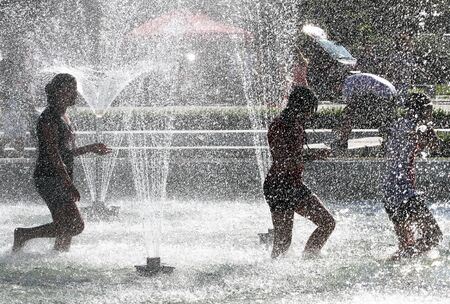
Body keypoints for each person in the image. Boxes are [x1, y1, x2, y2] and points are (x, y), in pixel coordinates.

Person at [12, 73, 112, 252]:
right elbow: (53, 155)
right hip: (49, 178)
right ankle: (24, 234)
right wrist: (68, 183)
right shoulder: (48, 118)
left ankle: (59, 257)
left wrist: (90, 148)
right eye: (70, 90)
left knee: (65, 225)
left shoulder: (64, 116)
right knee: (75, 225)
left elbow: (65, 152)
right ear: (58, 92)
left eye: (75, 89)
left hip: (58, 176)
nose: (75, 94)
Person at [264, 86, 335, 258]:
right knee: (283, 241)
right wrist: (312, 156)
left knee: (327, 223)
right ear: (301, 106)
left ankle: (309, 258)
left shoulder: (294, 125)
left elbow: (293, 156)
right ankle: (274, 272)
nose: (310, 115)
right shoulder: (280, 125)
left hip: (293, 184)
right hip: (278, 186)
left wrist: (313, 154)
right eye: (310, 110)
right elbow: (283, 161)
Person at [383, 92, 444, 260]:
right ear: (421, 111)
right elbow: (435, 146)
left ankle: (398, 262)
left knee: (406, 245)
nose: (431, 114)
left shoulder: (397, 124)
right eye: (429, 110)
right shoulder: (420, 127)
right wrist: (427, 131)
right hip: (405, 194)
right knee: (433, 236)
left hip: (389, 194)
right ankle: (409, 258)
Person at [332, 72, 398, 152]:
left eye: (334, 88)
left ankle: (343, 141)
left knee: (348, 114)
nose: (335, 91)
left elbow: (351, 105)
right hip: (391, 90)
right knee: (384, 119)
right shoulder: (352, 79)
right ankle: (388, 141)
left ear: (337, 84)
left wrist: (340, 123)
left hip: (382, 93)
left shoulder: (346, 85)